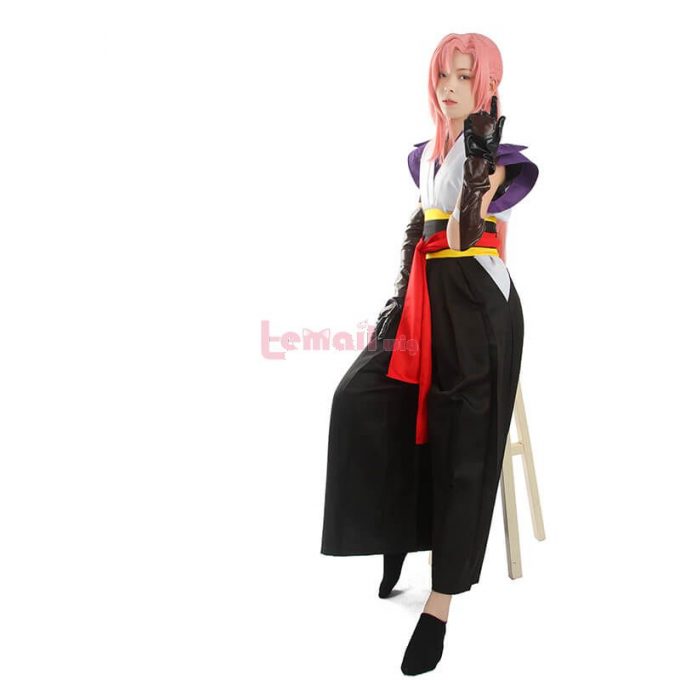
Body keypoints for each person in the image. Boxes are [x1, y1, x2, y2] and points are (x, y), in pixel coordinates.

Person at [320, 32, 539, 675]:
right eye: (445, 74)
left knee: (464, 441)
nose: (451, 87)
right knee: (360, 399)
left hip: (477, 306)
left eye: (466, 77)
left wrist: (480, 161)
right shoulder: (425, 155)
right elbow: (422, 232)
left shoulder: (499, 158)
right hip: (423, 300)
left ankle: (439, 605)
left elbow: (469, 224)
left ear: (487, 87)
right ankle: (399, 530)